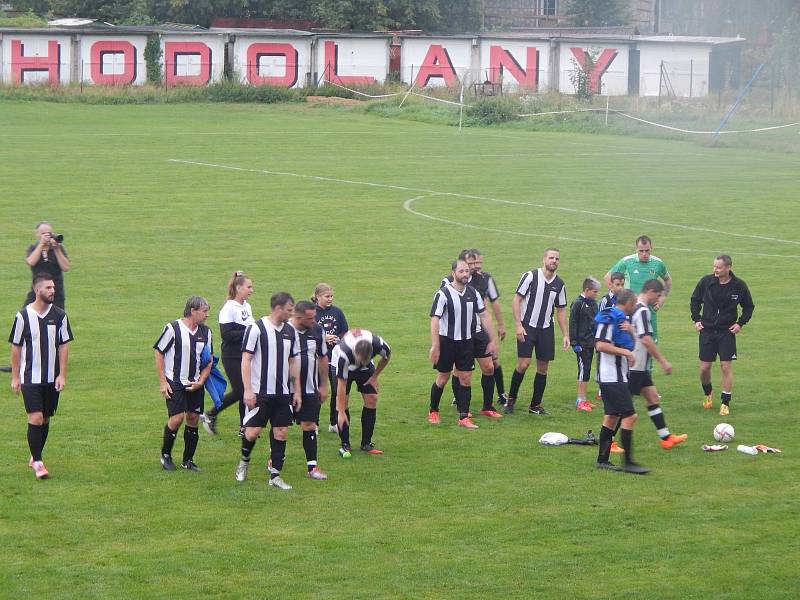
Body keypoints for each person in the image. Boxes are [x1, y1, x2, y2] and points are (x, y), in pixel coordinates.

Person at [9, 273, 73, 479]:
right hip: (30, 378)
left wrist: (62, 375)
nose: (52, 291)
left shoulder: (60, 316)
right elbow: (16, 347)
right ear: (37, 290)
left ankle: (35, 454)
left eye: (53, 287)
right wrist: (16, 377)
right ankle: (38, 462)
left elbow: (63, 346)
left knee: (45, 419)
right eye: (47, 288)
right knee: (35, 417)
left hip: (51, 377)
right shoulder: (23, 316)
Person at [237, 292, 302, 490]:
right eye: (289, 310)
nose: (291, 314)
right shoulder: (256, 329)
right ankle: (244, 461)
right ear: (278, 309)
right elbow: (246, 359)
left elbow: (293, 361)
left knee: (281, 432)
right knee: (252, 432)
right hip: (259, 392)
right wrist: (248, 390)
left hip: (282, 393)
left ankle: (275, 476)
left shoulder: (290, 331)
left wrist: (296, 391)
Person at [429, 259, 499, 428]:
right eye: (461, 271)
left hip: (467, 342)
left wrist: (493, 339)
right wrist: (435, 345)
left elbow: (484, 316)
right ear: (454, 273)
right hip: (447, 341)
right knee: (443, 377)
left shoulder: (473, 293)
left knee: (466, 378)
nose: (465, 274)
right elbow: (435, 319)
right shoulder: (443, 294)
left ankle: (463, 417)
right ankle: (433, 410)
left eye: (467, 271)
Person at [506, 248, 569, 415]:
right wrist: (518, 325)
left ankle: (535, 405)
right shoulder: (531, 276)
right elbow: (517, 300)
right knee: (523, 364)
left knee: (543, 367)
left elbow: (561, 310)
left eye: (556, 258)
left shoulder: (559, 284)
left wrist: (565, 334)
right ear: (544, 259)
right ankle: (510, 399)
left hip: (546, 329)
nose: (554, 261)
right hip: (527, 326)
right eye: (551, 258)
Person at [154, 296, 213, 472]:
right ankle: (165, 455)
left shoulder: (206, 332)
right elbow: (159, 352)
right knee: (177, 418)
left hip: (195, 382)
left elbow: (208, 360)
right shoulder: (173, 328)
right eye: (204, 311)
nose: (207, 315)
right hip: (175, 381)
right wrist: (163, 382)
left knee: (193, 418)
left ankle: (188, 460)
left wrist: (201, 381)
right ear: (193, 311)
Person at [690, 254, 754, 416]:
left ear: (728, 268)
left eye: (718, 267)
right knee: (704, 368)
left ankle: (725, 402)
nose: (715, 270)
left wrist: (740, 323)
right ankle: (708, 392)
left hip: (726, 333)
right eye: (714, 267)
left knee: (726, 367)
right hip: (707, 331)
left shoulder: (739, 286)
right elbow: (695, 300)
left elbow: (748, 307)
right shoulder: (706, 282)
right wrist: (696, 319)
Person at [594, 289, 649, 474]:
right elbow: (600, 344)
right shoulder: (609, 317)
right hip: (611, 376)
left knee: (612, 417)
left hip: (618, 376)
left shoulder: (622, 321)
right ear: (630, 303)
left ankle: (602, 460)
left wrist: (632, 332)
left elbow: (629, 343)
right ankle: (628, 462)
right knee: (630, 415)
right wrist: (626, 353)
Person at [627, 280, 687, 449]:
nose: (659, 299)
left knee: (652, 398)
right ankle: (610, 442)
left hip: (639, 365)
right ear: (651, 291)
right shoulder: (644, 310)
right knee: (623, 407)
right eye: (658, 295)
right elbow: (646, 339)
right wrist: (663, 361)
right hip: (635, 365)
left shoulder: (634, 306)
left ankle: (666, 438)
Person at [200, 271, 255, 436]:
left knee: (247, 389)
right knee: (240, 391)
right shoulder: (229, 308)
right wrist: (249, 331)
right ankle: (211, 414)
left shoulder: (246, 306)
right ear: (239, 288)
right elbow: (226, 334)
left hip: (245, 354)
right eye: (249, 287)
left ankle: (244, 427)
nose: (251, 290)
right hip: (232, 355)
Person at [331, 327, 391, 457]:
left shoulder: (379, 345)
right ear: (355, 353)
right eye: (360, 361)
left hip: (366, 369)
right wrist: (340, 412)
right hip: (342, 366)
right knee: (342, 402)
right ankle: (345, 444)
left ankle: (366, 443)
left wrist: (374, 376)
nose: (362, 363)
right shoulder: (344, 354)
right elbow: (341, 385)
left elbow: (387, 357)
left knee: (372, 399)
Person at [288, 300, 330, 480]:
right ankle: (274, 460)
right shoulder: (284, 330)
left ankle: (312, 467)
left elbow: (322, 357)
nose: (314, 321)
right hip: (285, 388)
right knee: (281, 427)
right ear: (298, 317)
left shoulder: (317, 330)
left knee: (309, 425)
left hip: (310, 387)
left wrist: (323, 384)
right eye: (310, 318)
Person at [605, 236, 671, 342]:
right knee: (629, 345)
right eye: (641, 251)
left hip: (649, 312)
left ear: (651, 248)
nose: (644, 254)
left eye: (647, 251)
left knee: (650, 344)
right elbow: (608, 277)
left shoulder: (658, 263)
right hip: (630, 312)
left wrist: (661, 300)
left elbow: (668, 281)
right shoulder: (627, 262)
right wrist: (620, 298)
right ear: (636, 249)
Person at [469, 249, 509, 409]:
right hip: (465, 328)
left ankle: (500, 393)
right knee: (460, 365)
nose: (477, 266)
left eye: (479, 263)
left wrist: (500, 325)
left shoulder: (486, 279)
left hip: (482, 327)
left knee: (492, 361)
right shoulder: (463, 278)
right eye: (474, 263)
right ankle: (459, 398)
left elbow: (495, 302)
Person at [313, 283, 349, 434]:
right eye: (327, 296)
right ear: (317, 296)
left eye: (331, 296)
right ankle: (314, 423)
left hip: (335, 358)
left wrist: (337, 339)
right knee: (317, 391)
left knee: (337, 391)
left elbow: (345, 331)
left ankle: (334, 422)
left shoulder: (337, 312)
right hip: (317, 357)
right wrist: (323, 337)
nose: (330, 299)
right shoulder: (311, 312)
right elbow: (305, 334)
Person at [569, 277, 600, 412]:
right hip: (581, 344)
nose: (596, 294)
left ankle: (584, 399)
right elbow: (573, 323)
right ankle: (580, 400)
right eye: (594, 291)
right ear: (586, 290)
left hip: (590, 343)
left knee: (587, 370)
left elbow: (595, 323)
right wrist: (574, 342)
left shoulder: (593, 303)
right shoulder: (577, 303)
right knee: (583, 370)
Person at [25, 221, 71, 309]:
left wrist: (57, 249)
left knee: (57, 320)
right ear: (37, 234)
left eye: (49, 233)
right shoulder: (33, 248)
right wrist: (41, 245)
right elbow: (31, 262)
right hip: (37, 291)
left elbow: (66, 267)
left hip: (56, 292)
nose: (46, 236)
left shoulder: (58, 248)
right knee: (27, 317)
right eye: (43, 233)